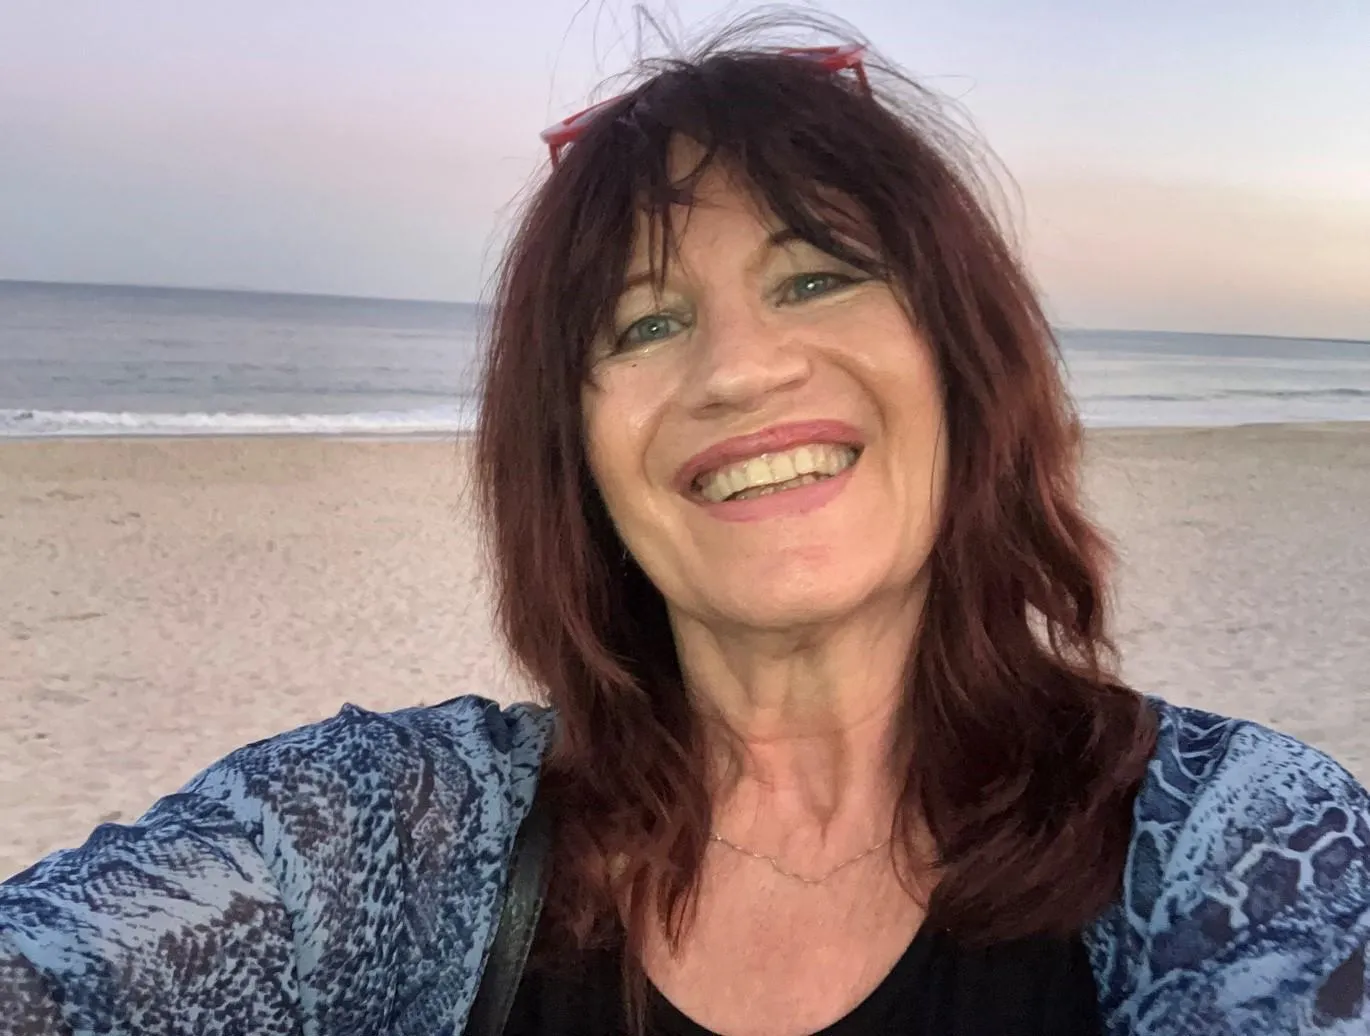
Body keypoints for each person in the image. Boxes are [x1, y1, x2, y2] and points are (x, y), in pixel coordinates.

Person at [3, 20, 1368, 1036]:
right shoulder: (392, 836)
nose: (732, 368)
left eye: (817, 276)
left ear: (964, 365)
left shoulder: (1233, 845)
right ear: (574, 452)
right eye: (644, 322)